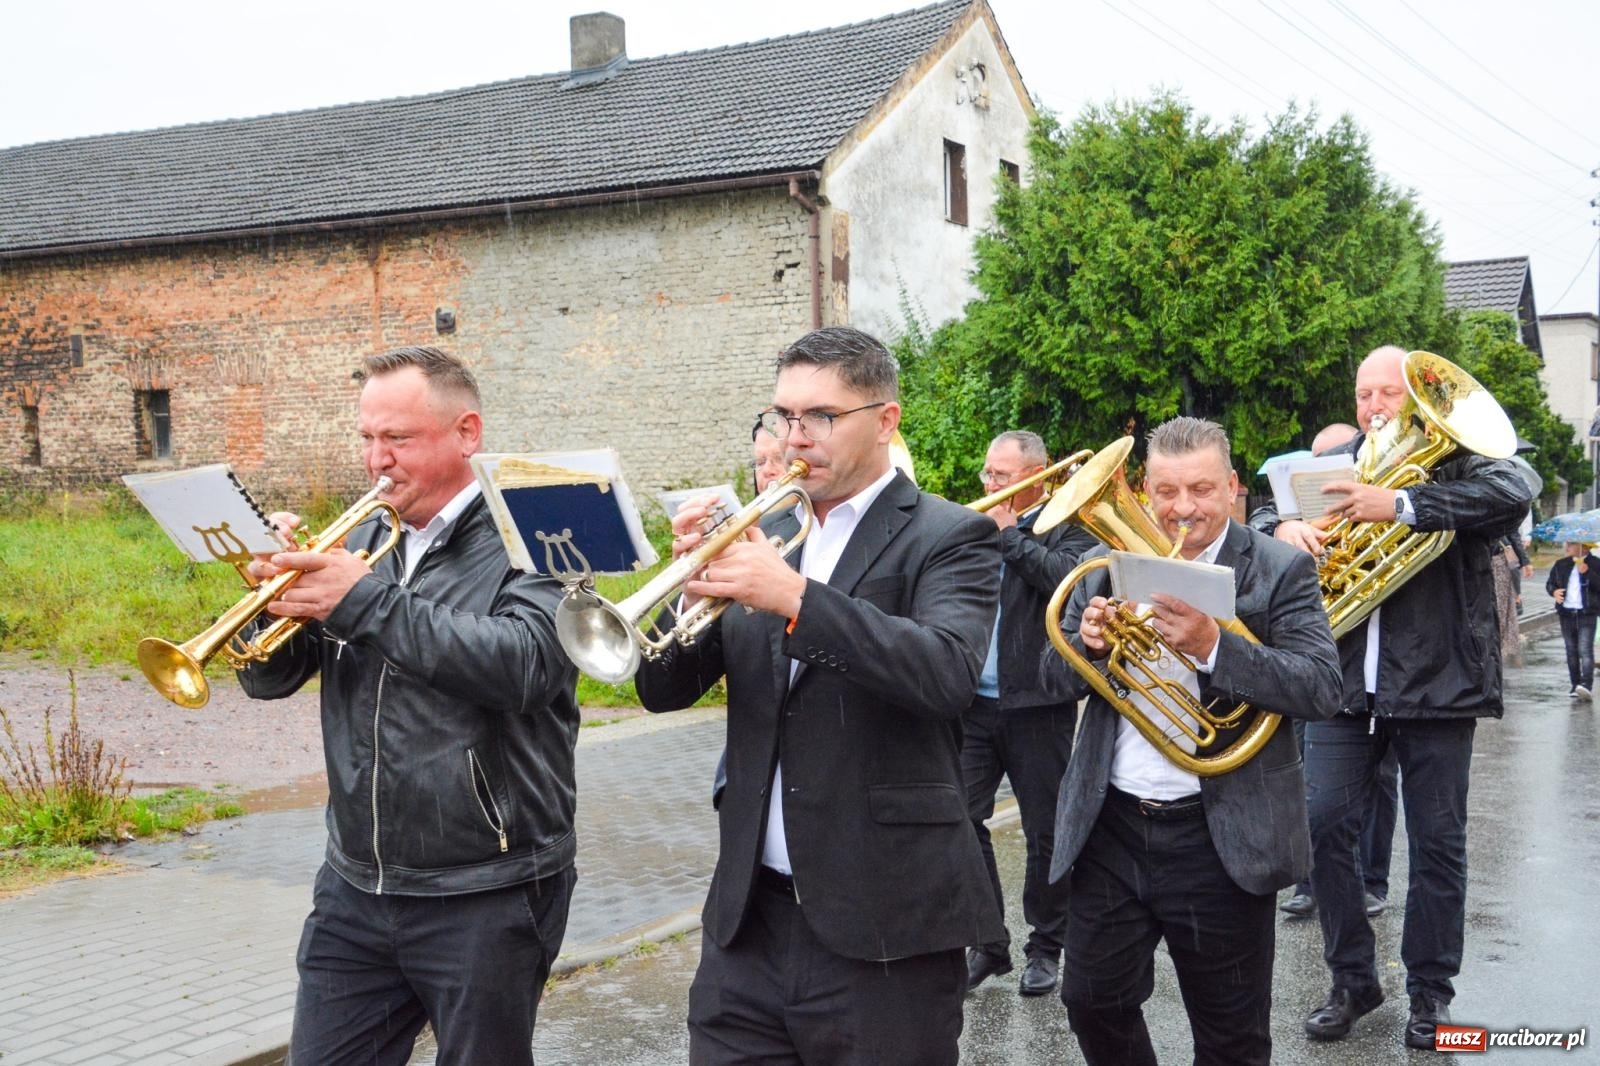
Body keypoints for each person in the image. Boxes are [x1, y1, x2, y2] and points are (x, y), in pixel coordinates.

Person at [635, 326, 1002, 1065]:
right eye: (783, 416)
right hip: (749, 925)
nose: (796, 437)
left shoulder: (949, 535)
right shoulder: (768, 532)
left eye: (821, 417)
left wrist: (798, 599)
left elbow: (945, 674)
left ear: (886, 420)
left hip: (885, 927)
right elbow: (661, 688)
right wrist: (687, 587)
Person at [238, 345, 580, 1065]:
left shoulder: (542, 530)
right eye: (366, 437)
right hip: (356, 886)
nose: (376, 460)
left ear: (467, 432)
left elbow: (525, 665)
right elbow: (265, 681)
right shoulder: (365, 534)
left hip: (486, 889)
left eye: (397, 438)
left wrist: (361, 600)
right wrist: (267, 604)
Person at [1040, 416, 1341, 1066]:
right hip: (1113, 824)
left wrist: (1213, 646)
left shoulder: (1279, 569)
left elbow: (1321, 687)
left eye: (1201, 490)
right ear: (1144, 490)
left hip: (1219, 835)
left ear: (1232, 486)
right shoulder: (1104, 566)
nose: (1183, 509)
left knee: (1231, 1040)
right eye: (1168, 491)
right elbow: (1049, 677)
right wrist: (1088, 648)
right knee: (1091, 1001)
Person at [1257, 345, 1533, 1050]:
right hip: (1345, 685)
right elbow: (1261, 521)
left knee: (1438, 846)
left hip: (1440, 686)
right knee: (1320, 826)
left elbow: (1518, 487)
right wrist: (1282, 529)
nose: (1373, 407)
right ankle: (1352, 978)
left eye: (1387, 393)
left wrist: (1404, 503)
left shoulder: (1463, 461)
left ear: (1416, 400)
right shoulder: (1335, 464)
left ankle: (1430, 994)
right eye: (1362, 394)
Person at [962, 431, 1097, 997]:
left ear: (1039, 477)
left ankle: (1047, 945)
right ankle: (987, 941)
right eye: (988, 475)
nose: (991, 486)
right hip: (972, 702)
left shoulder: (1074, 529)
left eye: (1003, 477)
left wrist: (1009, 535)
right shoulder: (976, 525)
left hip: (1039, 702)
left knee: (1046, 831)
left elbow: (1062, 585)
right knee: (958, 820)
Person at [1279, 420, 1398, 924]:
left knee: (1380, 785)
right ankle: (1308, 880)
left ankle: (1373, 878)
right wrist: (1287, 528)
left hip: (1382, 676)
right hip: (1319, 664)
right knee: (1314, 788)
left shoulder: (1385, 497)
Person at [1547, 540, 1600, 700]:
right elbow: (1550, 583)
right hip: (1567, 613)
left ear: (1583, 546)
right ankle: (1575, 685)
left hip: (1587, 613)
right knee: (1571, 651)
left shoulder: (1595, 563)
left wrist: (1587, 572)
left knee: (1585, 649)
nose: (1567, 546)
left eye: (1571, 544)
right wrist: (1554, 592)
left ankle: (1586, 685)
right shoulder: (1561, 564)